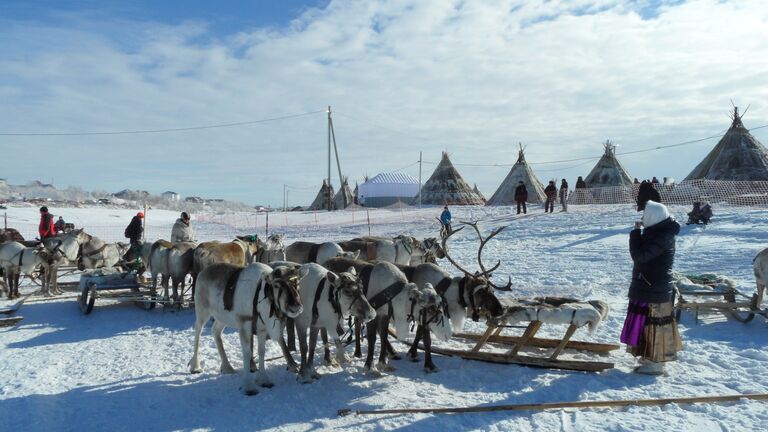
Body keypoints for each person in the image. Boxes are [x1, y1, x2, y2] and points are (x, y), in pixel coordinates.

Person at [620, 201, 682, 375]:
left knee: (655, 325)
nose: (642, 219)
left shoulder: (662, 236)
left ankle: (656, 363)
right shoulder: (658, 232)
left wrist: (635, 233)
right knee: (645, 324)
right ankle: (648, 357)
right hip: (649, 285)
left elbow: (639, 256)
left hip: (654, 287)